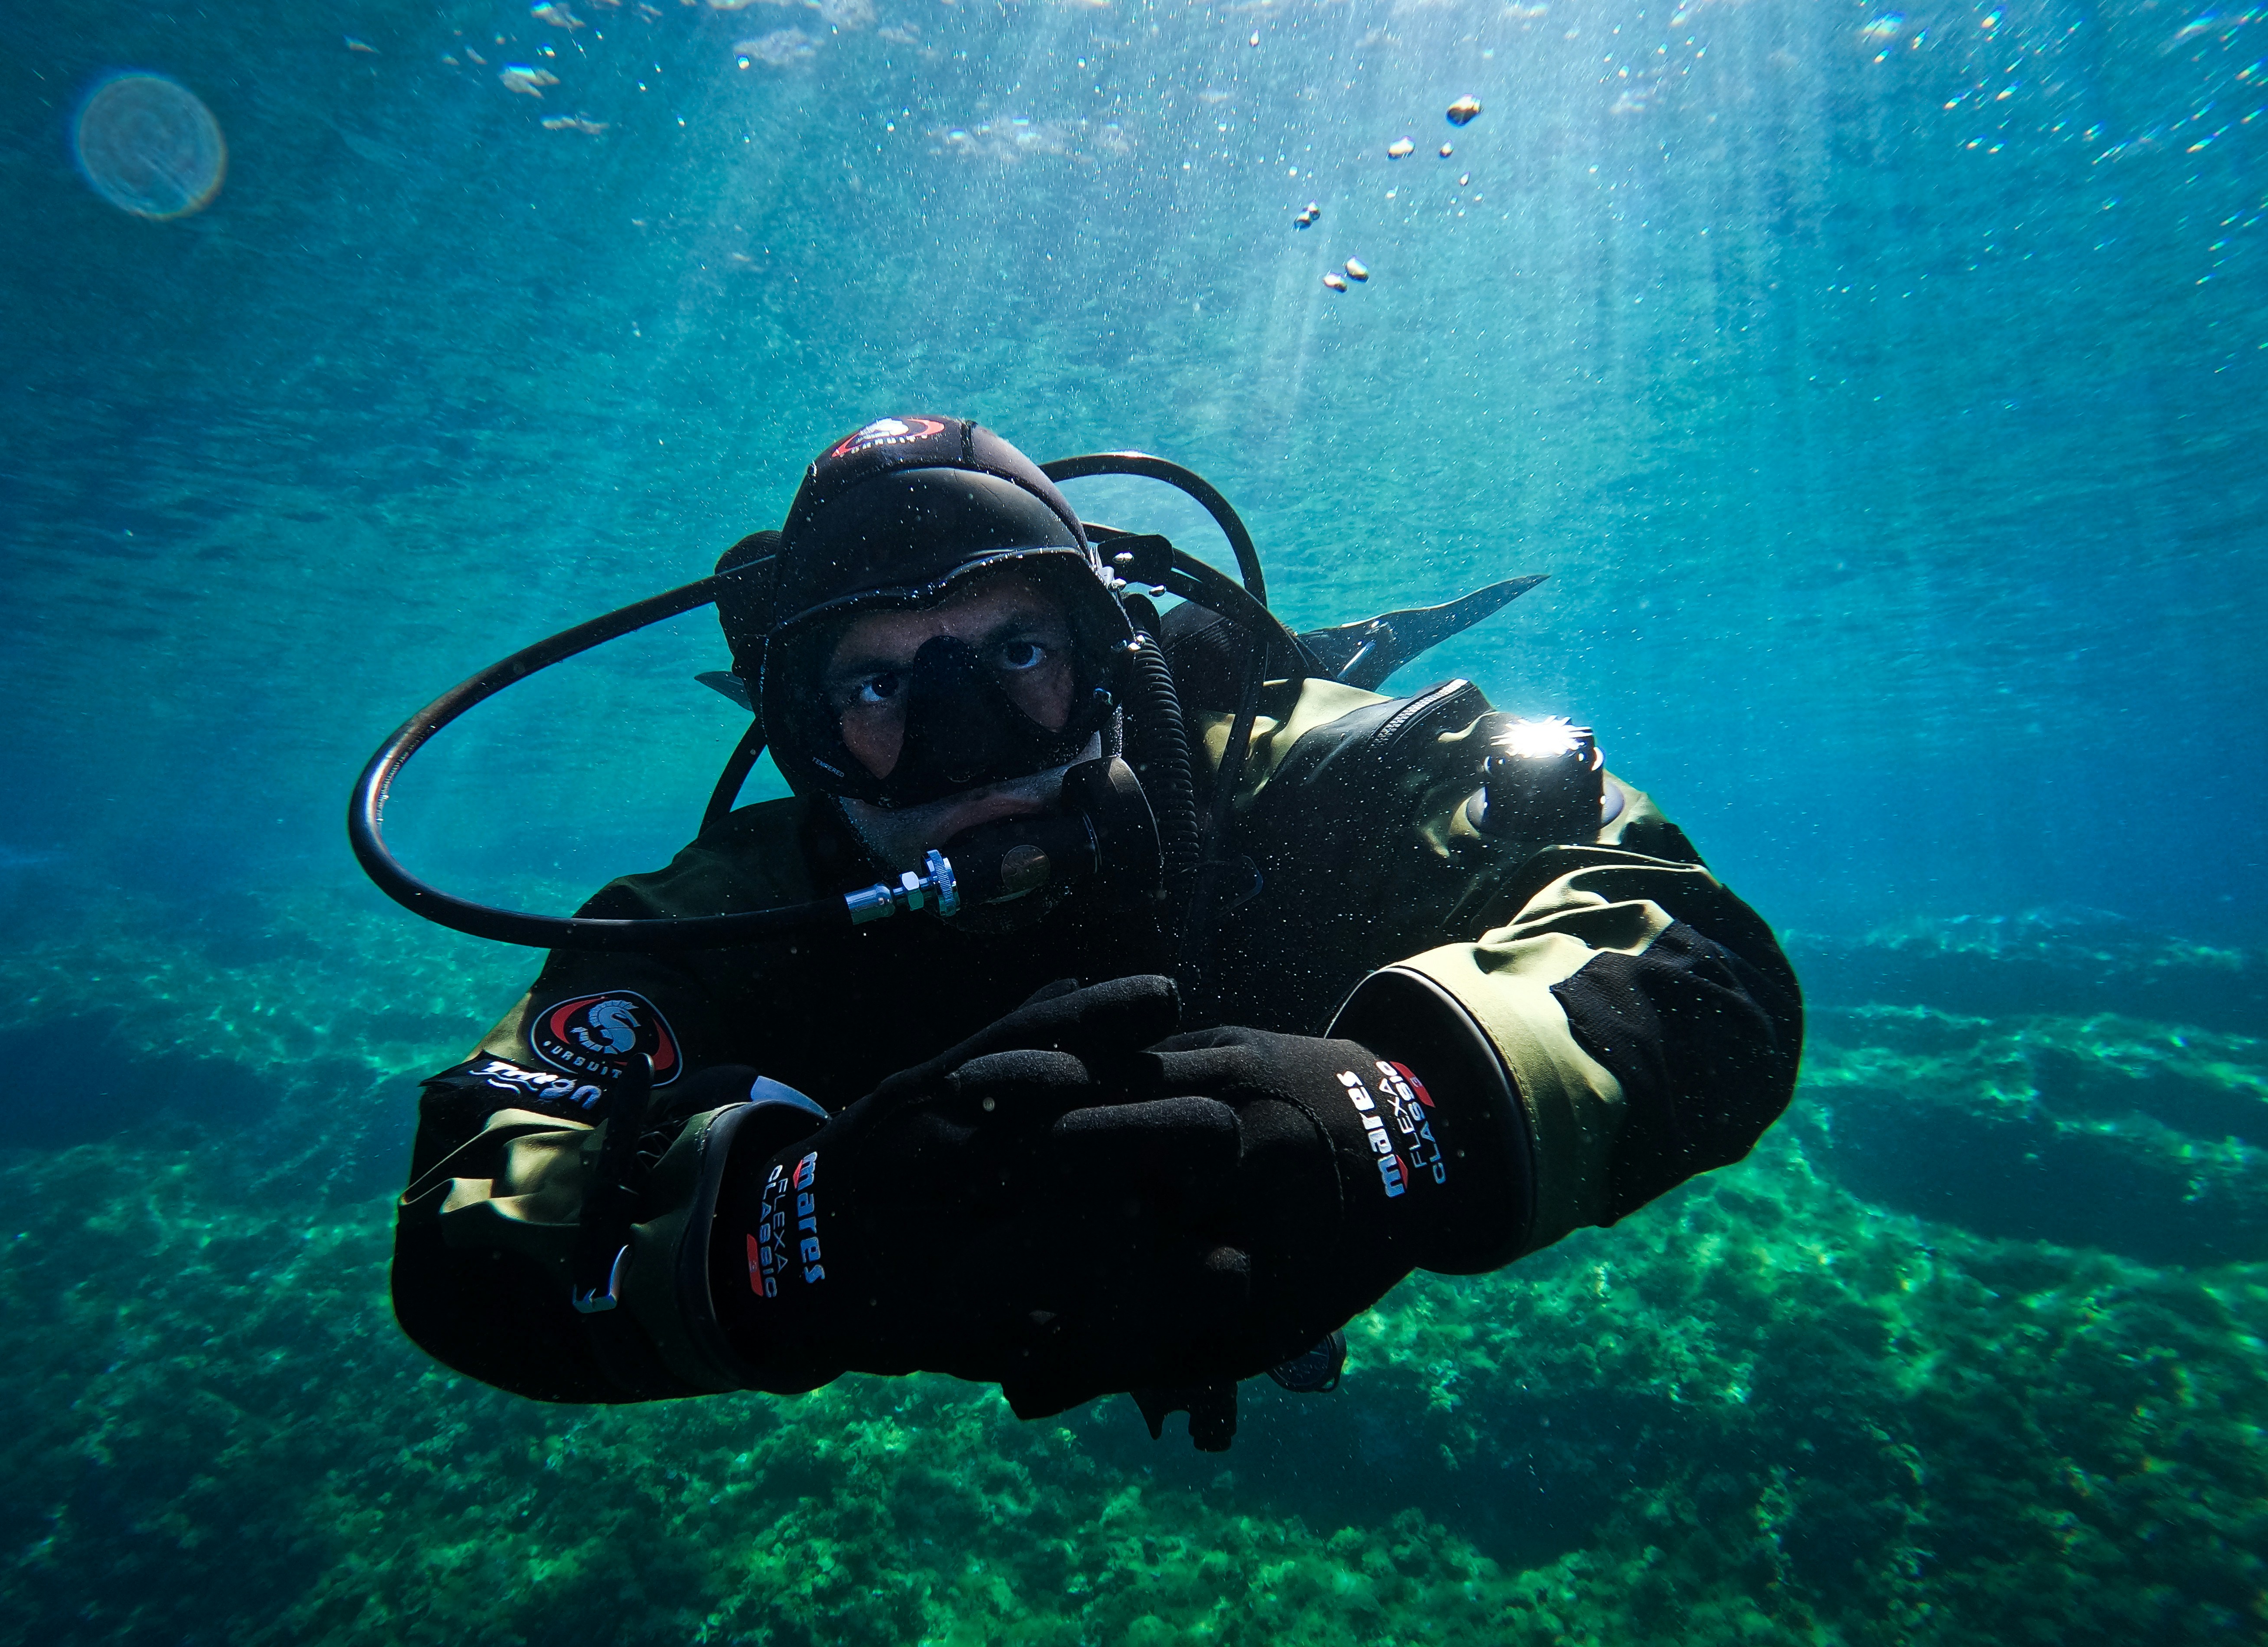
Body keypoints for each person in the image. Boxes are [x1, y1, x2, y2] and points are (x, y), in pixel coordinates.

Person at [391, 416, 1801, 1450]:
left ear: (1108, 664)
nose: (960, 753)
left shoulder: (1273, 770)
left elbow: (1698, 956)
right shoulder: (725, 915)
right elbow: (475, 1237)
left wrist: (1398, 1121)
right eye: (877, 687)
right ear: (800, 738)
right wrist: (808, 1234)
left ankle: (1356, 637)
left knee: (1319, 683)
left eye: (1017, 656)